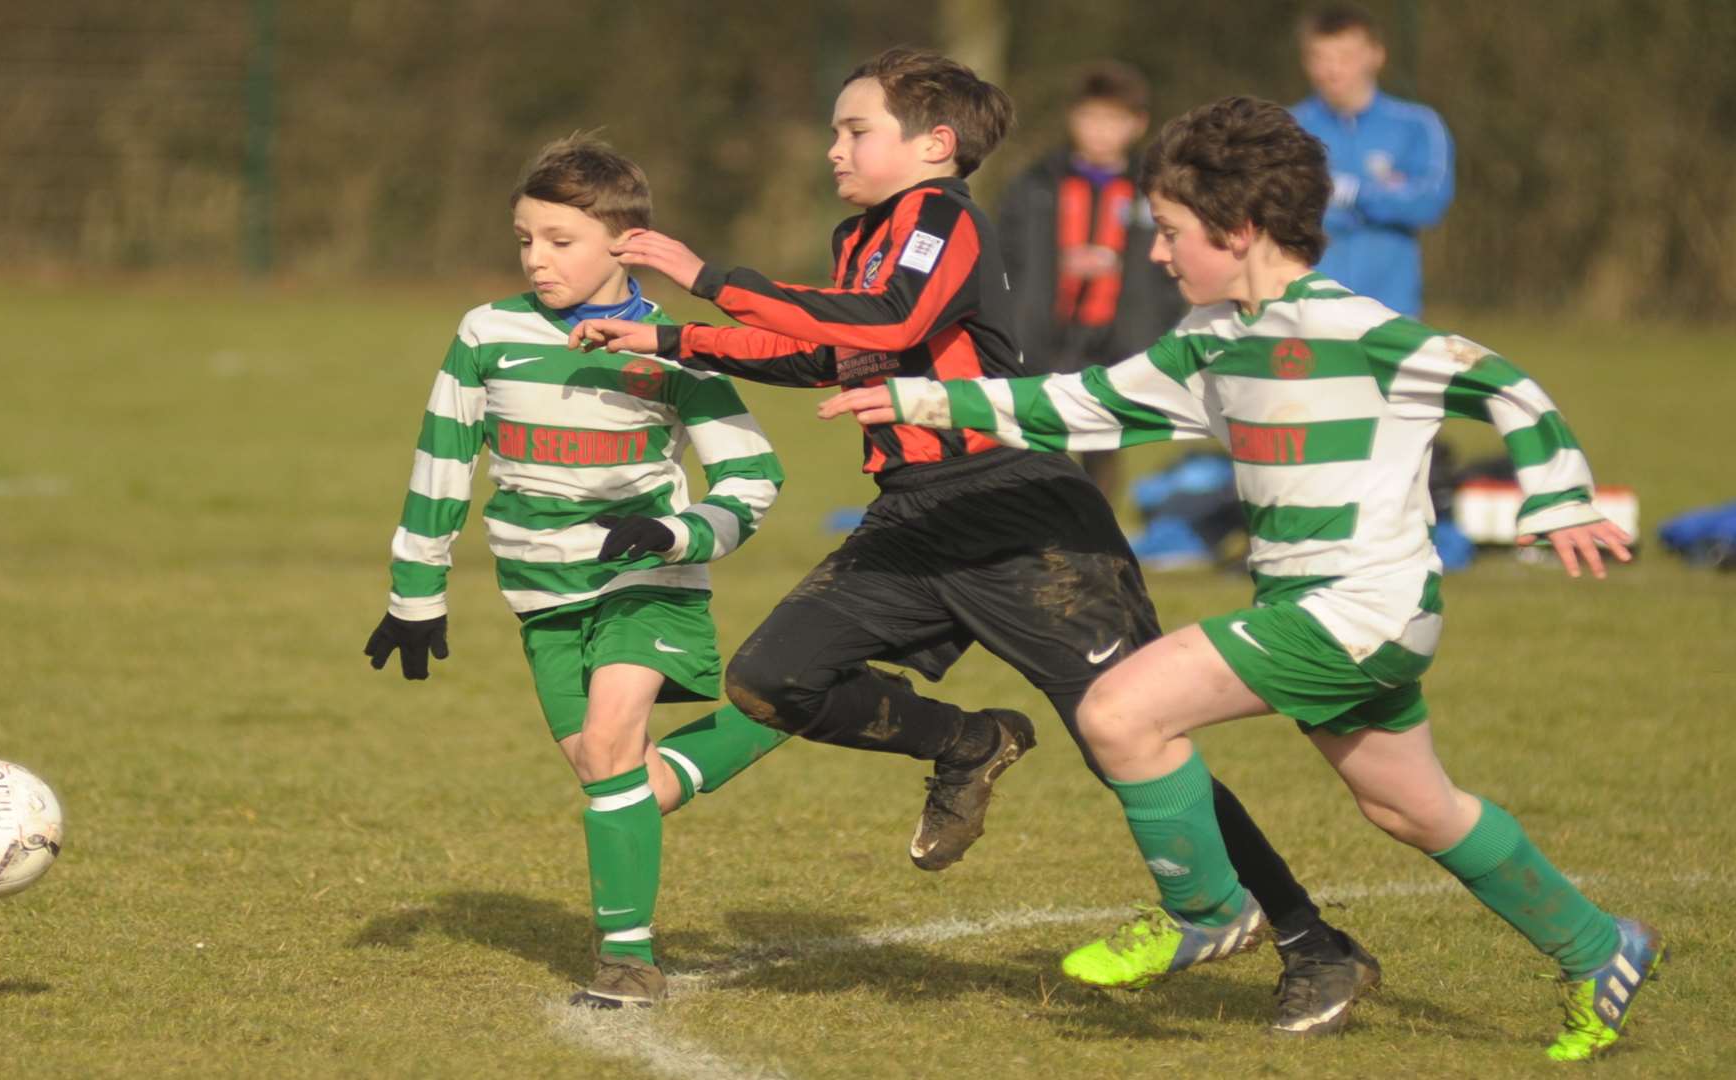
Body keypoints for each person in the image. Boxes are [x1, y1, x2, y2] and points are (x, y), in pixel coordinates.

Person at [819, 95, 1662, 1061]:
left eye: (1172, 234)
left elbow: (1505, 384)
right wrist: (924, 393)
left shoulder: (1362, 332)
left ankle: (1208, 910)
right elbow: (1078, 403)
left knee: (1121, 710)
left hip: (1359, 615)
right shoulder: (1212, 342)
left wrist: (1559, 500)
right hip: (1328, 614)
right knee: (1410, 807)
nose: (1158, 255)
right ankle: (1602, 948)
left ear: (1242, 229)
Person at [574, 48, 1382, 1036]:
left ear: (934, 145)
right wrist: (671, 339)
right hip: (914, 514)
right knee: (771, 678)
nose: (835, 146)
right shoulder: (862, 233)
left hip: (1020, 512)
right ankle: (969, 741)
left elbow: (894, 317)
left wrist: (708, 279)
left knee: (1127, 736)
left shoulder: (944, 221)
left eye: (854, 129)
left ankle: (1313, 948)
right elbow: (832, 348)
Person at [362, 135, 790, 1010]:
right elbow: (441, 464)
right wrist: (415, 595)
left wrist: (673, 535)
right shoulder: (488, 333)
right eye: (526, 238)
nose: (537, 257)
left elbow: (753, 478)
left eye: (561, 240)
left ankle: (627, 962)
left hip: (646, 582)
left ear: (624, 244)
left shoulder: (674, 347)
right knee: (621, 781)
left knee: (607, 750)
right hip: (538, 595)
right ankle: (790, 706)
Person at [998, 60, 1186, 508]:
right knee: (1033, 445)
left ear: (1137, 125)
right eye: (1090, 118)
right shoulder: (1036, 184)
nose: (1100, 131)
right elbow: (1007, 255)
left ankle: (1095, 540)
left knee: (1103, 449)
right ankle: (1031, 540)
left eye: (1112, 121)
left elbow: (1175, 266)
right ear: (1072, 118)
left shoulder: (1153, 189)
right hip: (1045, 334)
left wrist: (1157, 322)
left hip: (1117, 340)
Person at [1291, 3, 1454, 318]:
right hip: (1308, 309)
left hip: (1391, 310)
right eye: (1321, 58)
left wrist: (1355, 194)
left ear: (1376, 55)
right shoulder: (1288, 127)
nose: (1332, 70)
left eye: (1345, 57)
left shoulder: (1417, 125)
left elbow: (1430, 201)